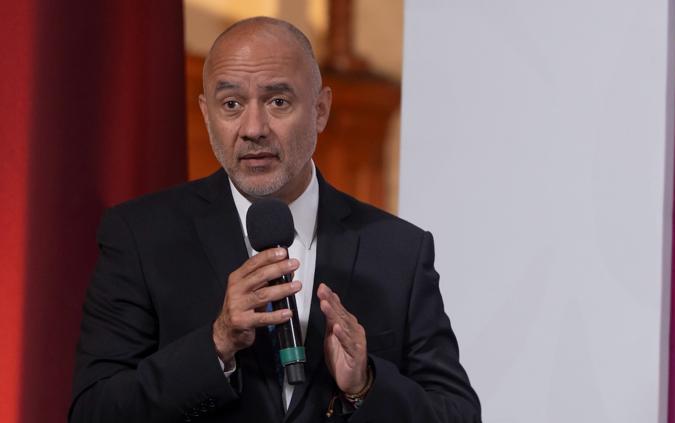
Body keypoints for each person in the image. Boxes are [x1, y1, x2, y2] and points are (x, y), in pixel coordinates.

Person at [69, 17, 480, 423]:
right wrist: (216, 345)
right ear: (207, 115)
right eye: (231, 104)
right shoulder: (139, 237)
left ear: (320, 110)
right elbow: (94, 411)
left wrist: (366, 385)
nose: (253, 129)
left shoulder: (399, 251)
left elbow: (458, 414)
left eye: (278, 101)